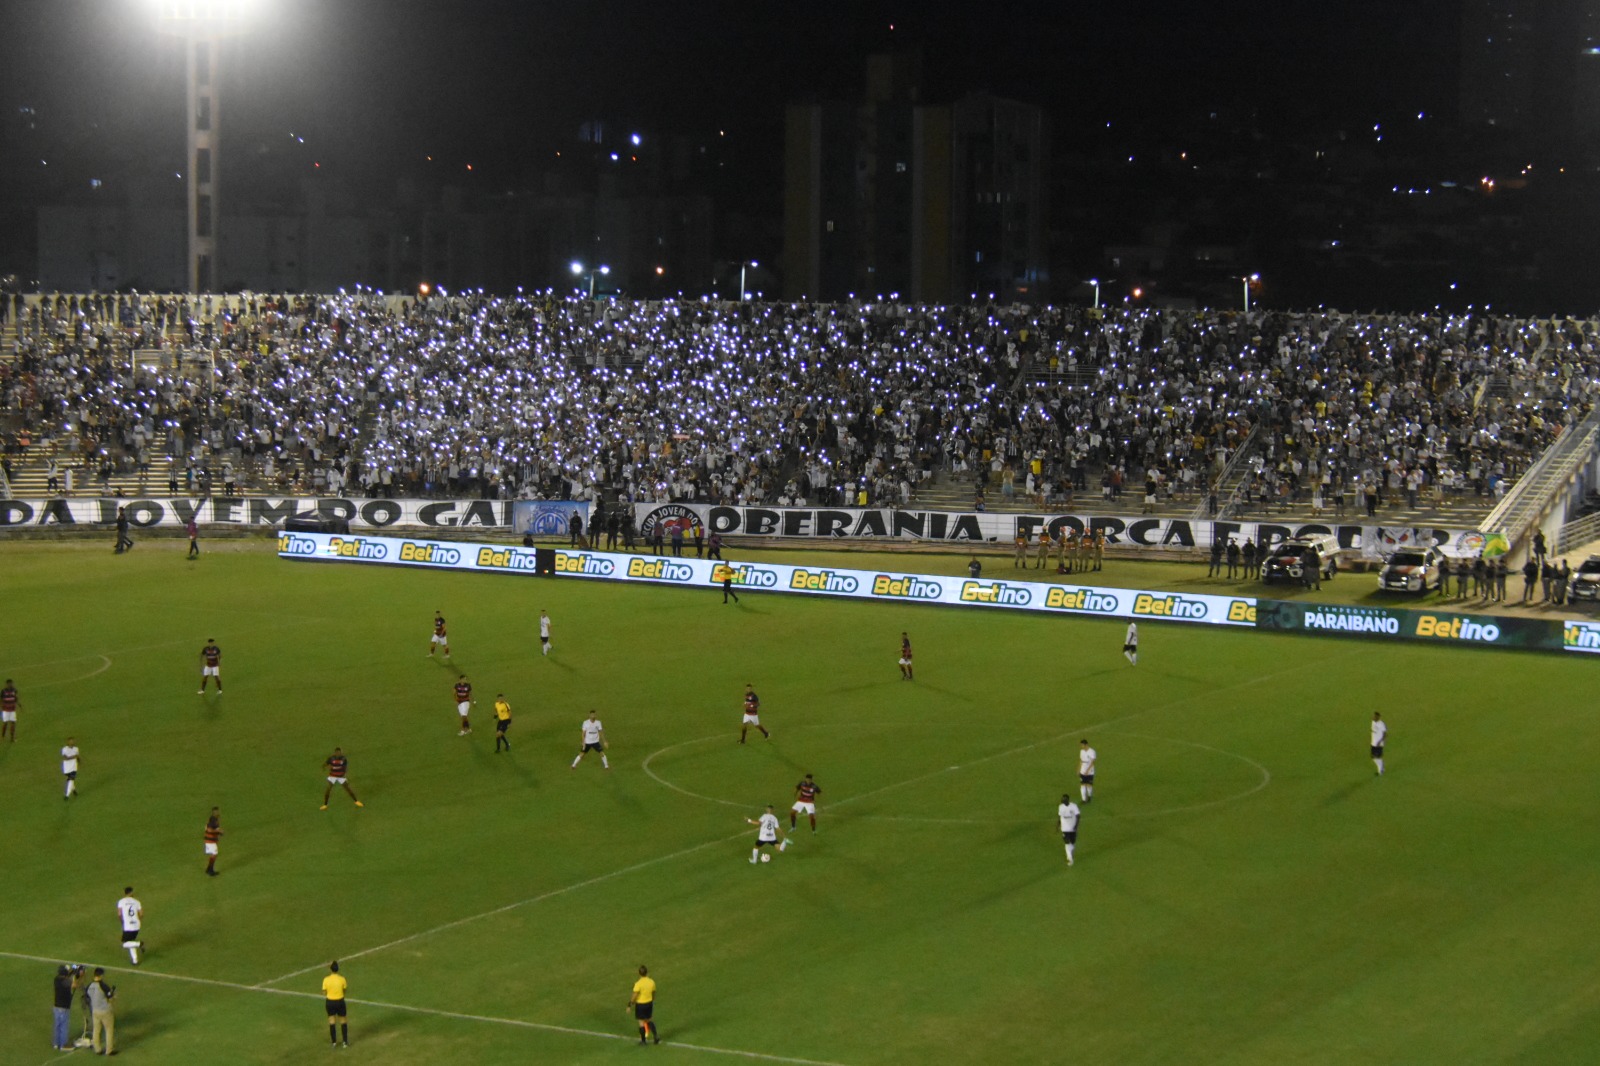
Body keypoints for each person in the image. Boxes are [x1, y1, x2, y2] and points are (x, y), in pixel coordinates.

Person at [86, 966, 115, 1054]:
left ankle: (97, 1049)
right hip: (105, 1011)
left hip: (95, 1011)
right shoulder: (103, 986)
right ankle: (109, 1050)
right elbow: (110, 998)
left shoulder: (89, 986)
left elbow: (87, 997)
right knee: (109, 1030)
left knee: (96, 1030)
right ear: (101, 975)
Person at [628, 965, 660, 1045]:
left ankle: (643, 1041)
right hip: (649, 1003)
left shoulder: (638, 984)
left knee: (641, 1022)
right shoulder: (651, 982)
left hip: (641, 1005)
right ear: (647, 972)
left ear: (639, 973)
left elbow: (635, 995)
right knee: (649, 1020)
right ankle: (656, 1036)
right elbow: (653, 992)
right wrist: (652, 999)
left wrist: (630, 1004)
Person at [53, 964, 81, 1051]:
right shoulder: (65, 981)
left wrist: (73, 971)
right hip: (64, 1007)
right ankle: (63, 1045)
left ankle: (56, 1043)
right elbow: (74, 985)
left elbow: (66, 977)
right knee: (64, 1026)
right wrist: (77, 976)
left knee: (57, 1025)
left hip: (57, 1006)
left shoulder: (57, 979)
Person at [322, 960, 350, 1048]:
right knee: (343, 1021)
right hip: (340, 1001)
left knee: (332, 1021)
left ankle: (334, 1042)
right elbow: (344, 990)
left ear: (331, 969)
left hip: (330, 1002)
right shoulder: (342, 979)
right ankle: (345, 1042)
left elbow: (324, 992)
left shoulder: (326, 979)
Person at [116, 887, 142, 966]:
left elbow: (119, 914)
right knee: (131, 942)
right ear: (131, 892)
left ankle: (139, 944)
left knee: (124, 944)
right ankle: (135, 960)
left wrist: (122, 921)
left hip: (127, 926)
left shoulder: (121, 901)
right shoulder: (137, 902)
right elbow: (141, 914)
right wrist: (137, 920)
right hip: (136, 925)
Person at [1059, 793, 1081, 865]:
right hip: (1064, 828)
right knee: (1067, 842)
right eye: (1062, 799)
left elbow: (1078, 816)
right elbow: (1060, 817)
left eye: (1064, 799)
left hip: (1072, 828)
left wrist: (1076, 826)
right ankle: (1070, 859)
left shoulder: (1073, 806)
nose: (1062, 800)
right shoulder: (1060, 807)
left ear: (1068, 799)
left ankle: (1070, 853)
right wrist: (1057, 826)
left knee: (1072, 842)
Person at [203, 807, 223, 876]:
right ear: (214, 813)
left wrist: (219, 832)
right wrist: (218, 831)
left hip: (211, 840)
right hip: (210, 840)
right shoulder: (213, 820)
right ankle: (210, 870)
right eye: (216, 812)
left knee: (213, 854)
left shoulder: (214, 819)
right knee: (214, 854)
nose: (218, 813)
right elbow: (209, 830)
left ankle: (209, 869)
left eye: (218, 811)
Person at [1371, 712, 1387, 776]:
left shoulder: (1381, 724)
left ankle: (1380, 771)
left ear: (1378, 717)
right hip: (1373, 743)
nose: (1373, 717)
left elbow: (1385, 734)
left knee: (1377, 757)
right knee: (1373, 757)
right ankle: (1381, 766)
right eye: (1373, 716)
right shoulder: (1373, 722)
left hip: (1379, 744)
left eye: (1375, 716)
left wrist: (1380, 742)